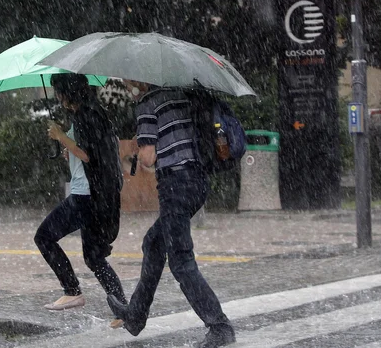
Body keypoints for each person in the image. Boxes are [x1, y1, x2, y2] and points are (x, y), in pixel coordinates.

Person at [107, 80, 236, 348]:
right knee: (154, 243)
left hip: (175, 184)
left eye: (129, 80)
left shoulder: (147, 103)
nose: (127, 84)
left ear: (139, 78)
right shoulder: (182, 94)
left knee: (180, 259)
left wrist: (137, 148)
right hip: (197, 182)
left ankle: (219, 325)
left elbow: (148, 157)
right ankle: (135, 315)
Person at [33, 73, 126, 325]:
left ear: (68, 92)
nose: (58, 97)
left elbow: (88, 155)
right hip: (96, 195)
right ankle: (122, 311)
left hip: (86, 194)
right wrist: (69, 149)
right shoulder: (92, 113)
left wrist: (61, 136)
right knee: (94, 257)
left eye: (59, 91)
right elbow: (88, 151)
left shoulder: (87, 115)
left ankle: (72, 291)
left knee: (43, 237)